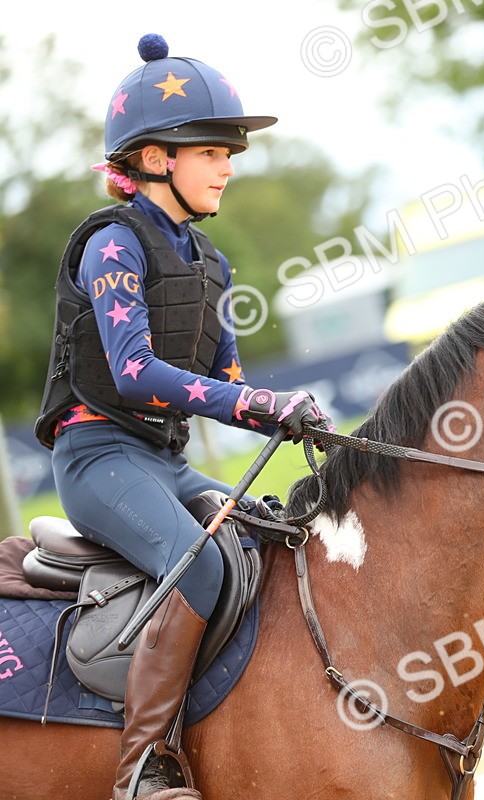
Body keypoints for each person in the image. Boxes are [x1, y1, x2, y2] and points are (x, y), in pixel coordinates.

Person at [33, 34, 333, 800]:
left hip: (162, 462)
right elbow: (134, 375)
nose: (229, 166)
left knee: (260, 536)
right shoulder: (110, 245)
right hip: (97, 459)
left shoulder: (211, 262)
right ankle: (144, 765)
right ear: (158, 158)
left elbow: (225, 381)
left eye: (230, 152)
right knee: (195, 562)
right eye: (212, 151)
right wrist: (255, 404)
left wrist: (290, 418)